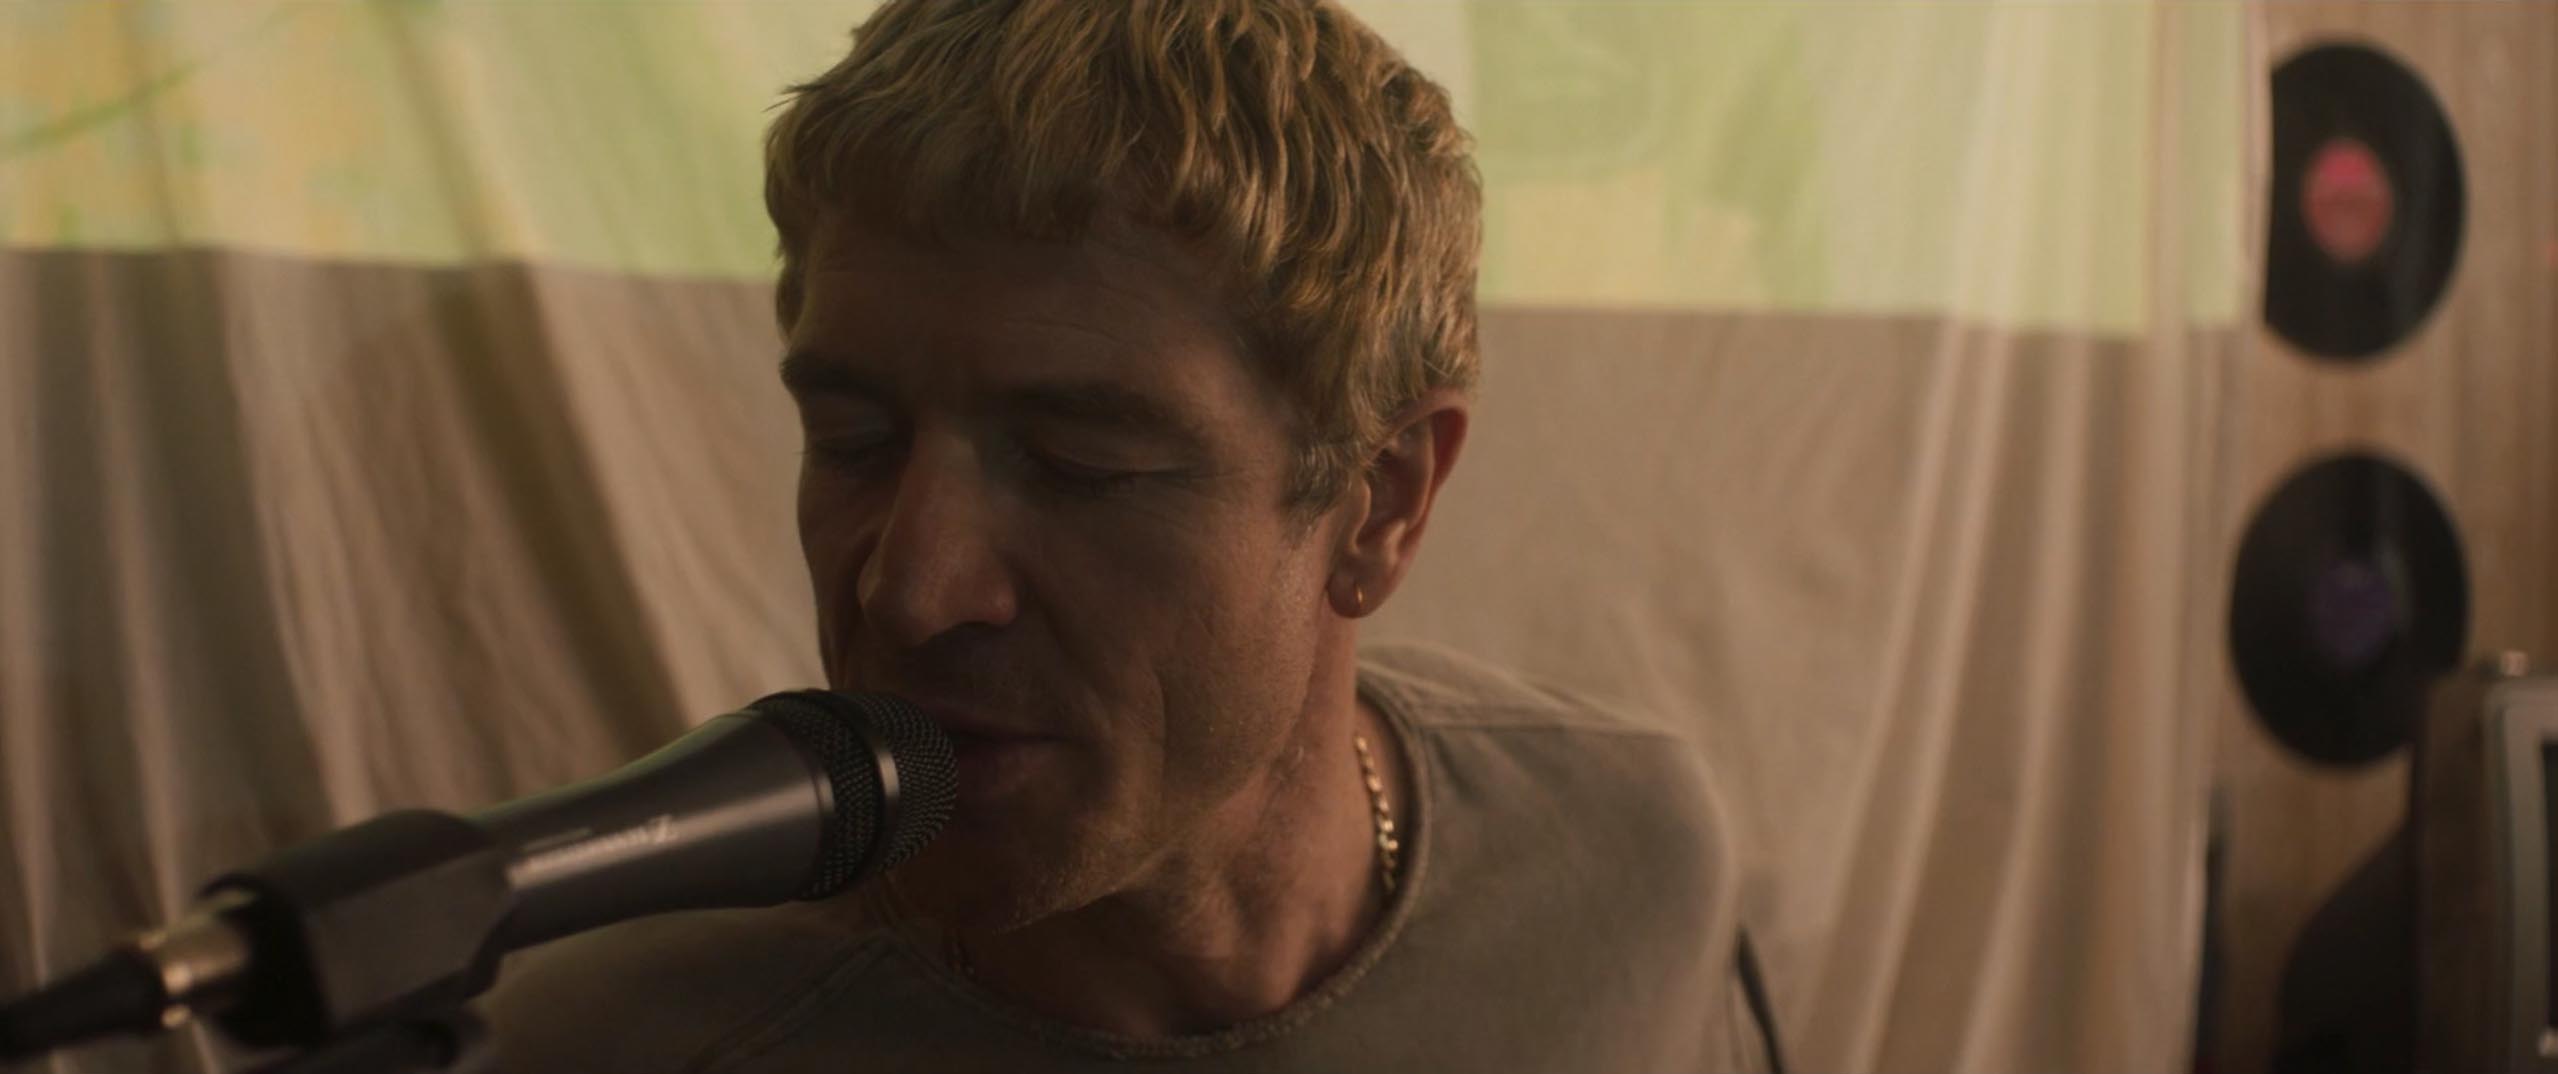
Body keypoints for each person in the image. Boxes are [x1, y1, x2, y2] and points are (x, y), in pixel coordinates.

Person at [482, 1, 1782, 1070]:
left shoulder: (1626, 861)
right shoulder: (609, 1039)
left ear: (1382, 501)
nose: (911, 587)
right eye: (855, 439)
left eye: (1077, 463)